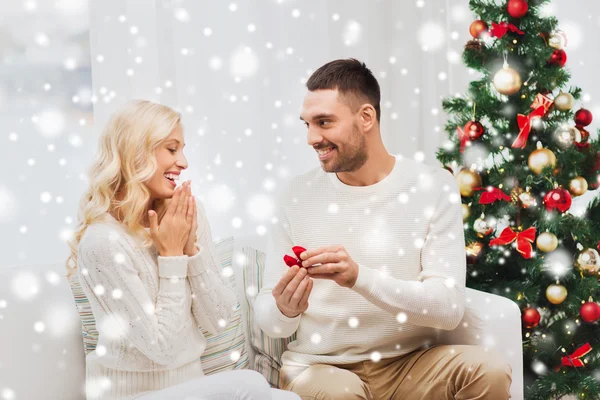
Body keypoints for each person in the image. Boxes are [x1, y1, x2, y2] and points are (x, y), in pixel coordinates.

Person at [254, 59, 513, 400]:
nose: (311, 138)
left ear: (366, 117)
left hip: (411, 364)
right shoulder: (295, 196)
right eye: (306, 124)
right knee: (342, 392)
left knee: (489, 370)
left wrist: (359, 278)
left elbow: (449, 309)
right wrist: (285, 308)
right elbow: (271, 323)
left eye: (324, 123)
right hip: (322, 369)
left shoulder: (432, 186)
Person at [66, 100, 300, 400]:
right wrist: (172, 257)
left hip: (191, 388)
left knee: (287, 398)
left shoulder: (186, 213)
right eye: (172, 149)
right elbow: (161, 349)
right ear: (136, 153)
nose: (184, 162)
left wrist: (193, 252)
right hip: (130, 395)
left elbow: (218, 321)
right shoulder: (103, 243)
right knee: (251, 386)